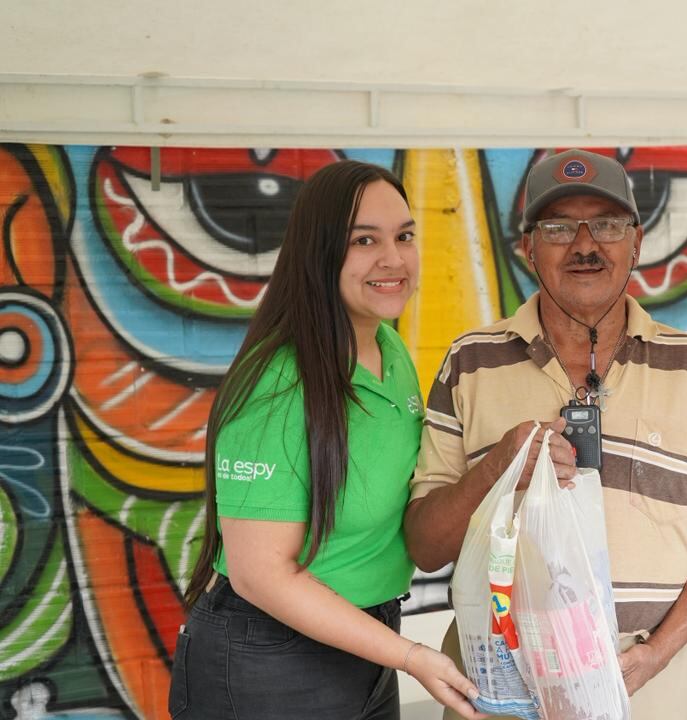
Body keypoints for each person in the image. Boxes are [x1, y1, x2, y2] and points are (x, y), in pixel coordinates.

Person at [404, 149, 687, 719]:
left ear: (636, 243)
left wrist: (657, 654)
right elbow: (425, 547)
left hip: (643, 679)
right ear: (528, 248)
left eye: (608, 225)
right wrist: (496, 470)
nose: (585, 245)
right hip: (500, 677)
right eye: (559, 227)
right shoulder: (470, 363)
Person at [172, 160, 484, 720]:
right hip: (269, 660)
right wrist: (410, 656)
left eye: (404, 236)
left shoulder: (390, 350)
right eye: (364, 240)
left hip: (368, 642)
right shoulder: (277, 383)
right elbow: (260, 573)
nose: (393, 259)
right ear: (319, 252)